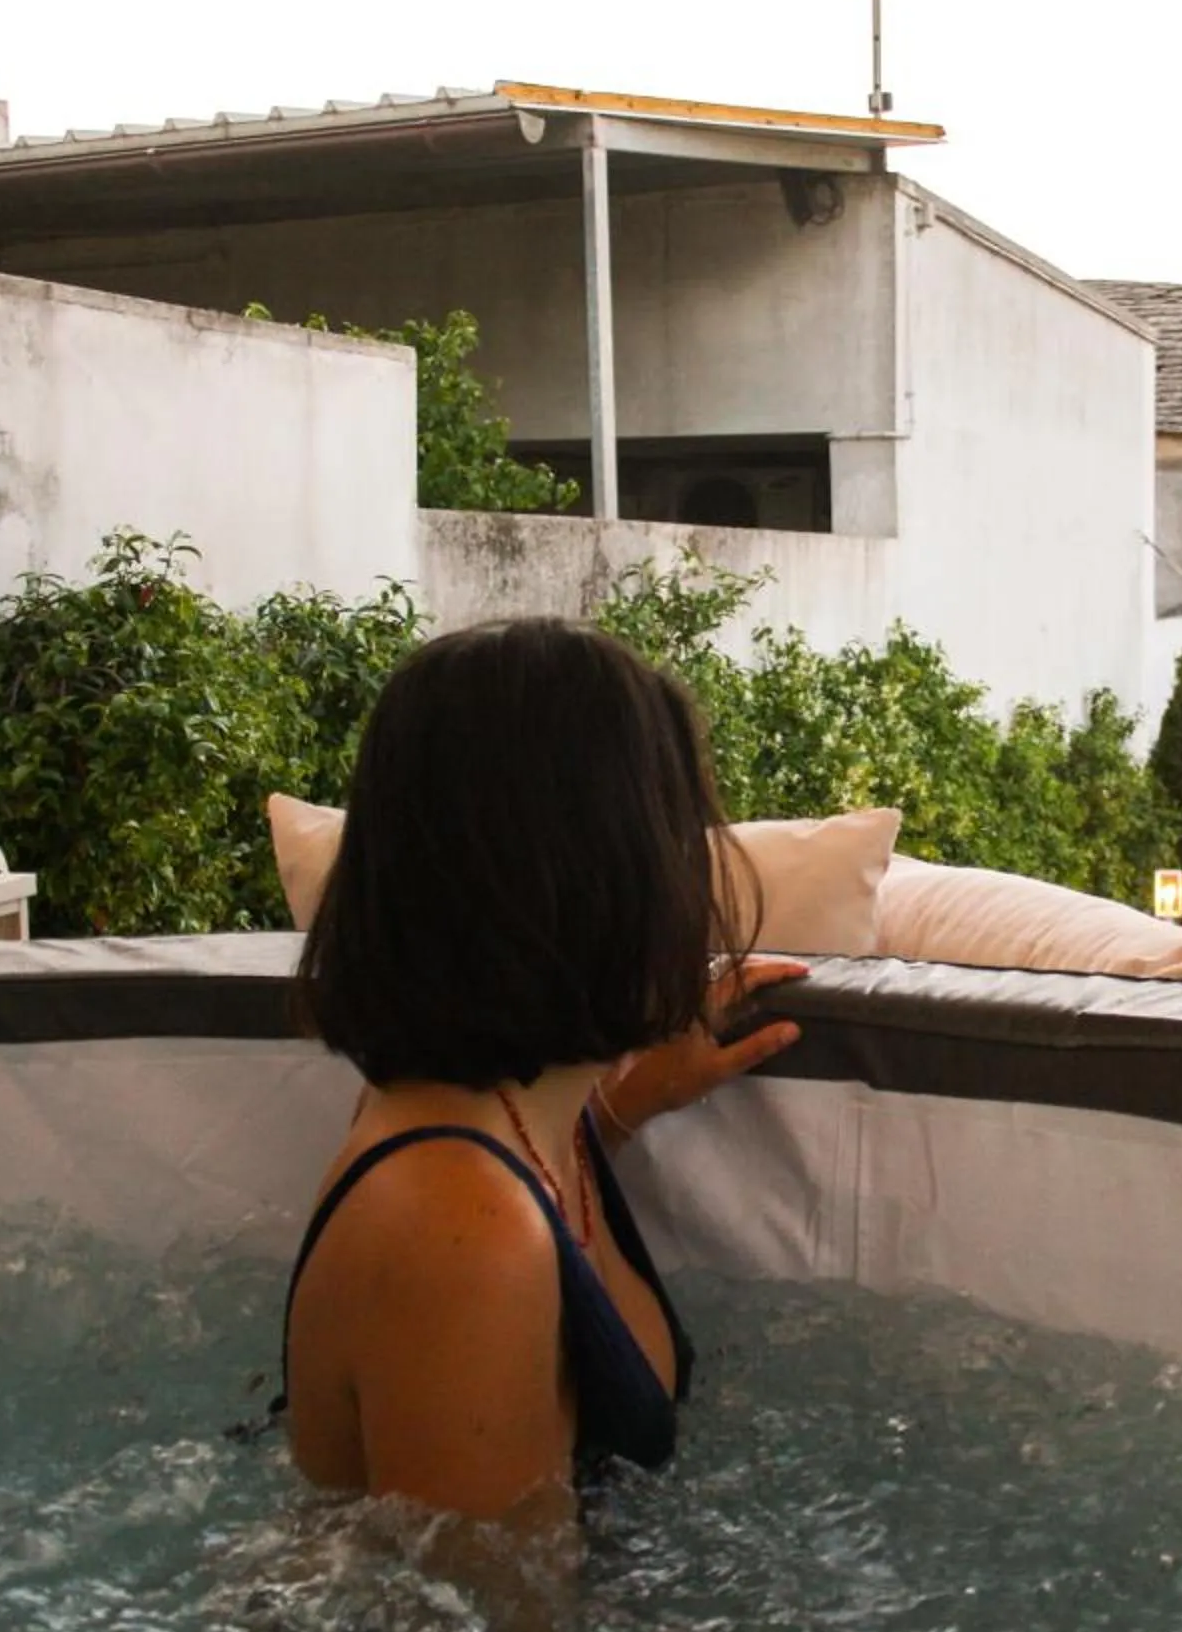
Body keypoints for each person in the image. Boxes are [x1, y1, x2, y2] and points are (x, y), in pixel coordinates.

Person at [277, 619, 806, 1528]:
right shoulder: (465, 1237)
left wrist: (619, 1103)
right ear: (599, 878)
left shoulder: (498, 1127)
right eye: (675, 837)